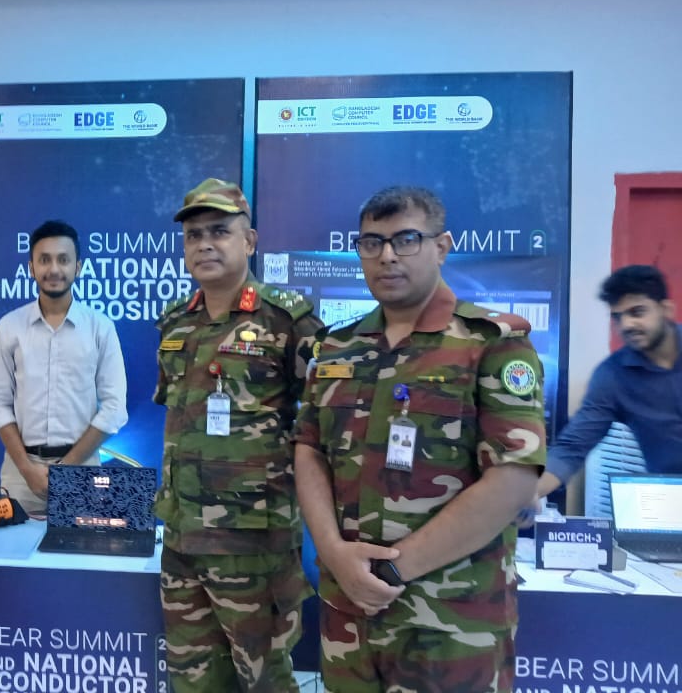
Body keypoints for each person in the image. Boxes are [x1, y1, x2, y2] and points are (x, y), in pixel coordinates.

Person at [294, 186, 546, 693]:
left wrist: (392, 572)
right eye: (371, 243)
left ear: (441, 246)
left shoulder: (491, 343)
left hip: (451, 624)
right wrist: (335, 554)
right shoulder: (337, 347)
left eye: (405, 239)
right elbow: (309, 450)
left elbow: (514, 479)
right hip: (348, 616)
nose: (387, 256)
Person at [154, 178, 322, 692]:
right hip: (182, 538)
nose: (204, 244)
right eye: (194, 235)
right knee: (193, 681)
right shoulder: (175, 324)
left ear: (249, 241)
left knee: (265, 680)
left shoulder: (287, 320)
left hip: (253, 544)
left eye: (219, 231)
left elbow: (324, 422)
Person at [0, 219, 128, 516]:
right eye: (44, 260)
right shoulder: (10, 327)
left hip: (82, 471)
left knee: (81, 547)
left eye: (63, 260)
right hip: (21, 475)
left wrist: (68, 467)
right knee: (14, 547)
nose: (54, 269)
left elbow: (114, 408)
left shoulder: (100, 328)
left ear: (78, 267)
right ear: (31, 267)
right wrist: (27, 469)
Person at [529, 264, 680, 504]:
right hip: (673, 503)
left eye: (637, 312)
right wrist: (528, 494)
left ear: (666, 310)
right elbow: (573, 446)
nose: (627, 325)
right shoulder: (613, 377)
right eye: (618, 317)